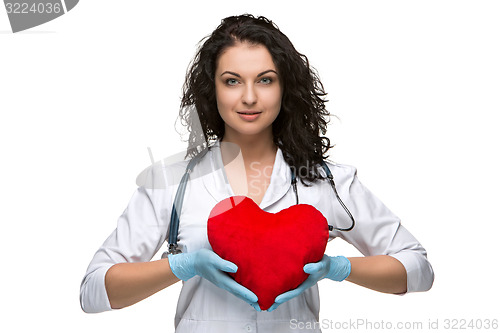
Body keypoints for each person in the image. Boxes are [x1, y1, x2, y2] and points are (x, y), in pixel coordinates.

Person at [80, 14, 434, 332]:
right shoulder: (170, 184)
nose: (249, 97)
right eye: (232, 81)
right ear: (212, 90)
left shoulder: (327, 181)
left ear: (285, 89)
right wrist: (183, 266)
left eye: (265, 80)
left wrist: (338, 268)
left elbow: (418, 269)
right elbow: (94, 291)